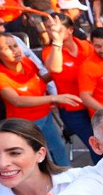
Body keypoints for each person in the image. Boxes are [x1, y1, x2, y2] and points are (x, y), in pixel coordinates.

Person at [0, 32, 79, 167]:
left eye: (15, 46)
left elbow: (39, 82)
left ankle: (67, 174)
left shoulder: (27, 62)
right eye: (7, 48)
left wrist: (58, 71)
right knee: (36, 156)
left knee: (58, 147)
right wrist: (54, 97)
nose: (15, 51)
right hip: (25, 123)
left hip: (45, 116)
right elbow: (17, 100)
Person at [41, 13, 99, 162]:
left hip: (94, 103)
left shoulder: (86, 46)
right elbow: (55, 68)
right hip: (73, 109)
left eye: (57, 28)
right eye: (49, 28)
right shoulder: (50, 51)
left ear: (70, 30)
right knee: (96, 145)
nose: (53, 31)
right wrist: (57, 41)